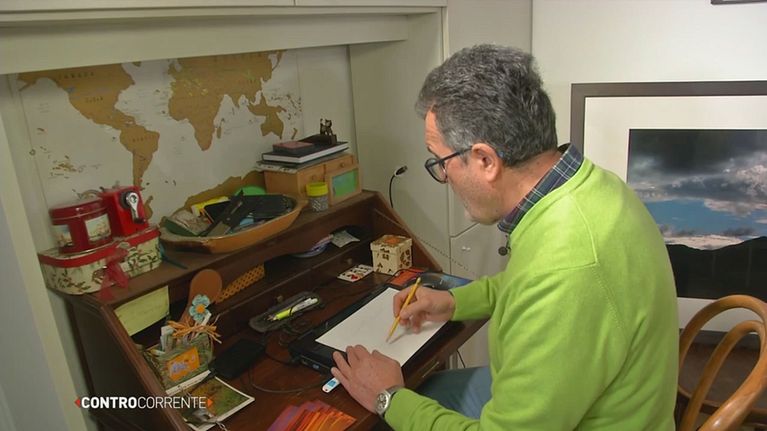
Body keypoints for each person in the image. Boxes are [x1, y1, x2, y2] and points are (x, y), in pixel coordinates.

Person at [330, 44, 678, 430]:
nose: (443, 177)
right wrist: (453, 301)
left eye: (441, 162)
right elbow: (527, 283)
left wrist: (388, 397)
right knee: (427, 391)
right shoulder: (591, 188)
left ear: (485, 161)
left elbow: (550, 285)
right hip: (598, 400)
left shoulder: (567, 271)